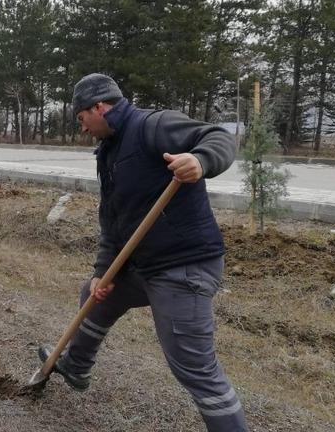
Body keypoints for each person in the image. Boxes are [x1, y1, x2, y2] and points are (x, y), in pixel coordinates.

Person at [37, 73, 247, 431]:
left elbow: (219, 137)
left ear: (99, 107)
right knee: (95, 295)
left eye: (81, 118)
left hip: (183, 266)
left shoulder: (153, 125)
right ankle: (76, 366)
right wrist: (104, 272)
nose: (82, 128)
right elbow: (113, 221)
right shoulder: (109, 151)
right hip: (145, 263)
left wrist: (201, 160)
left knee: (192, 366)